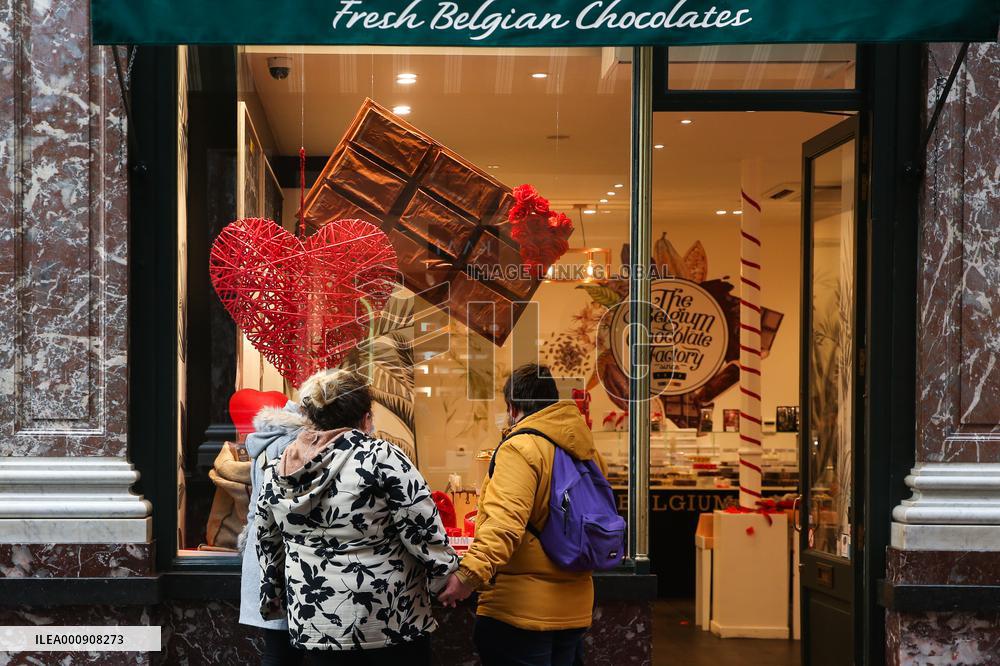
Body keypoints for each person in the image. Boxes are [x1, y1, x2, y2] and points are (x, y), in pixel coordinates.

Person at [256, 369, 458, 664]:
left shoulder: (279, 467)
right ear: (366, 418)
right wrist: (446, 575)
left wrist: (272, 594)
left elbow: (266, 539)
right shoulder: (381, 457)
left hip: (315, 622)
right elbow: (421, 525)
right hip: (388, 619)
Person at [438, 363, 606, 666]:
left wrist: (467, 576)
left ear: (512, 407)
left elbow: (503, 524)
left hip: (521, 613)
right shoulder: (586, 449)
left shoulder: (521, 448)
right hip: (576, 607)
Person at [238, 399, 310, 666]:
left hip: (266, 558)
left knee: (277, 650)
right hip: (297, 558)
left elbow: (256, 507)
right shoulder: (303, 445)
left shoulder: (265, 440)